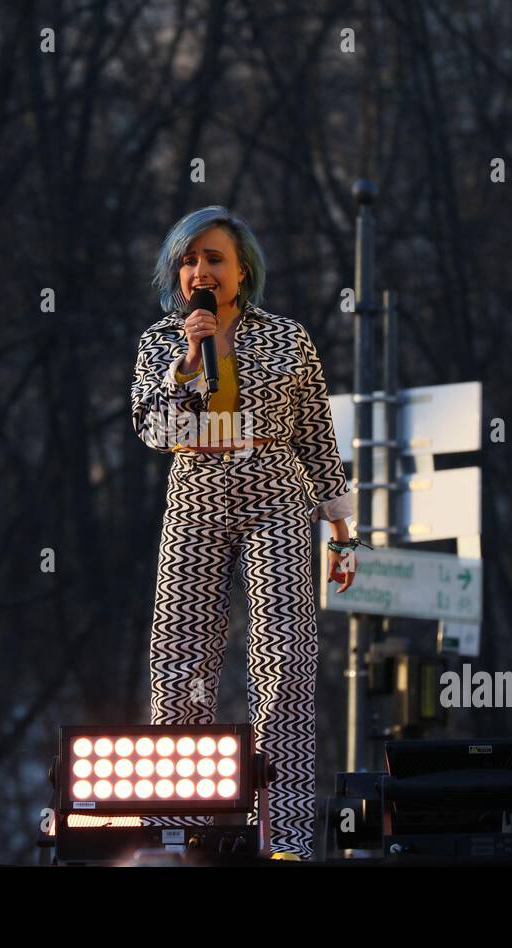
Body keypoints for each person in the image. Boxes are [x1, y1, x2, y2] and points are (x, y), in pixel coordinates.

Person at [130, 205, 358, 860]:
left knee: (285, 659)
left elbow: (315, 434)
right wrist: (193, 355)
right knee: (179, 659)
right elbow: (156, 431)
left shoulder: (288, 338)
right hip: (197, 494)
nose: (199, 270)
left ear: (242, 269)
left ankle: (282, 836)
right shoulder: (160, 342)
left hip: (275, 494)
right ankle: (178, 826)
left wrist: (341, 530)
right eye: (188, 259)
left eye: (213, 258)